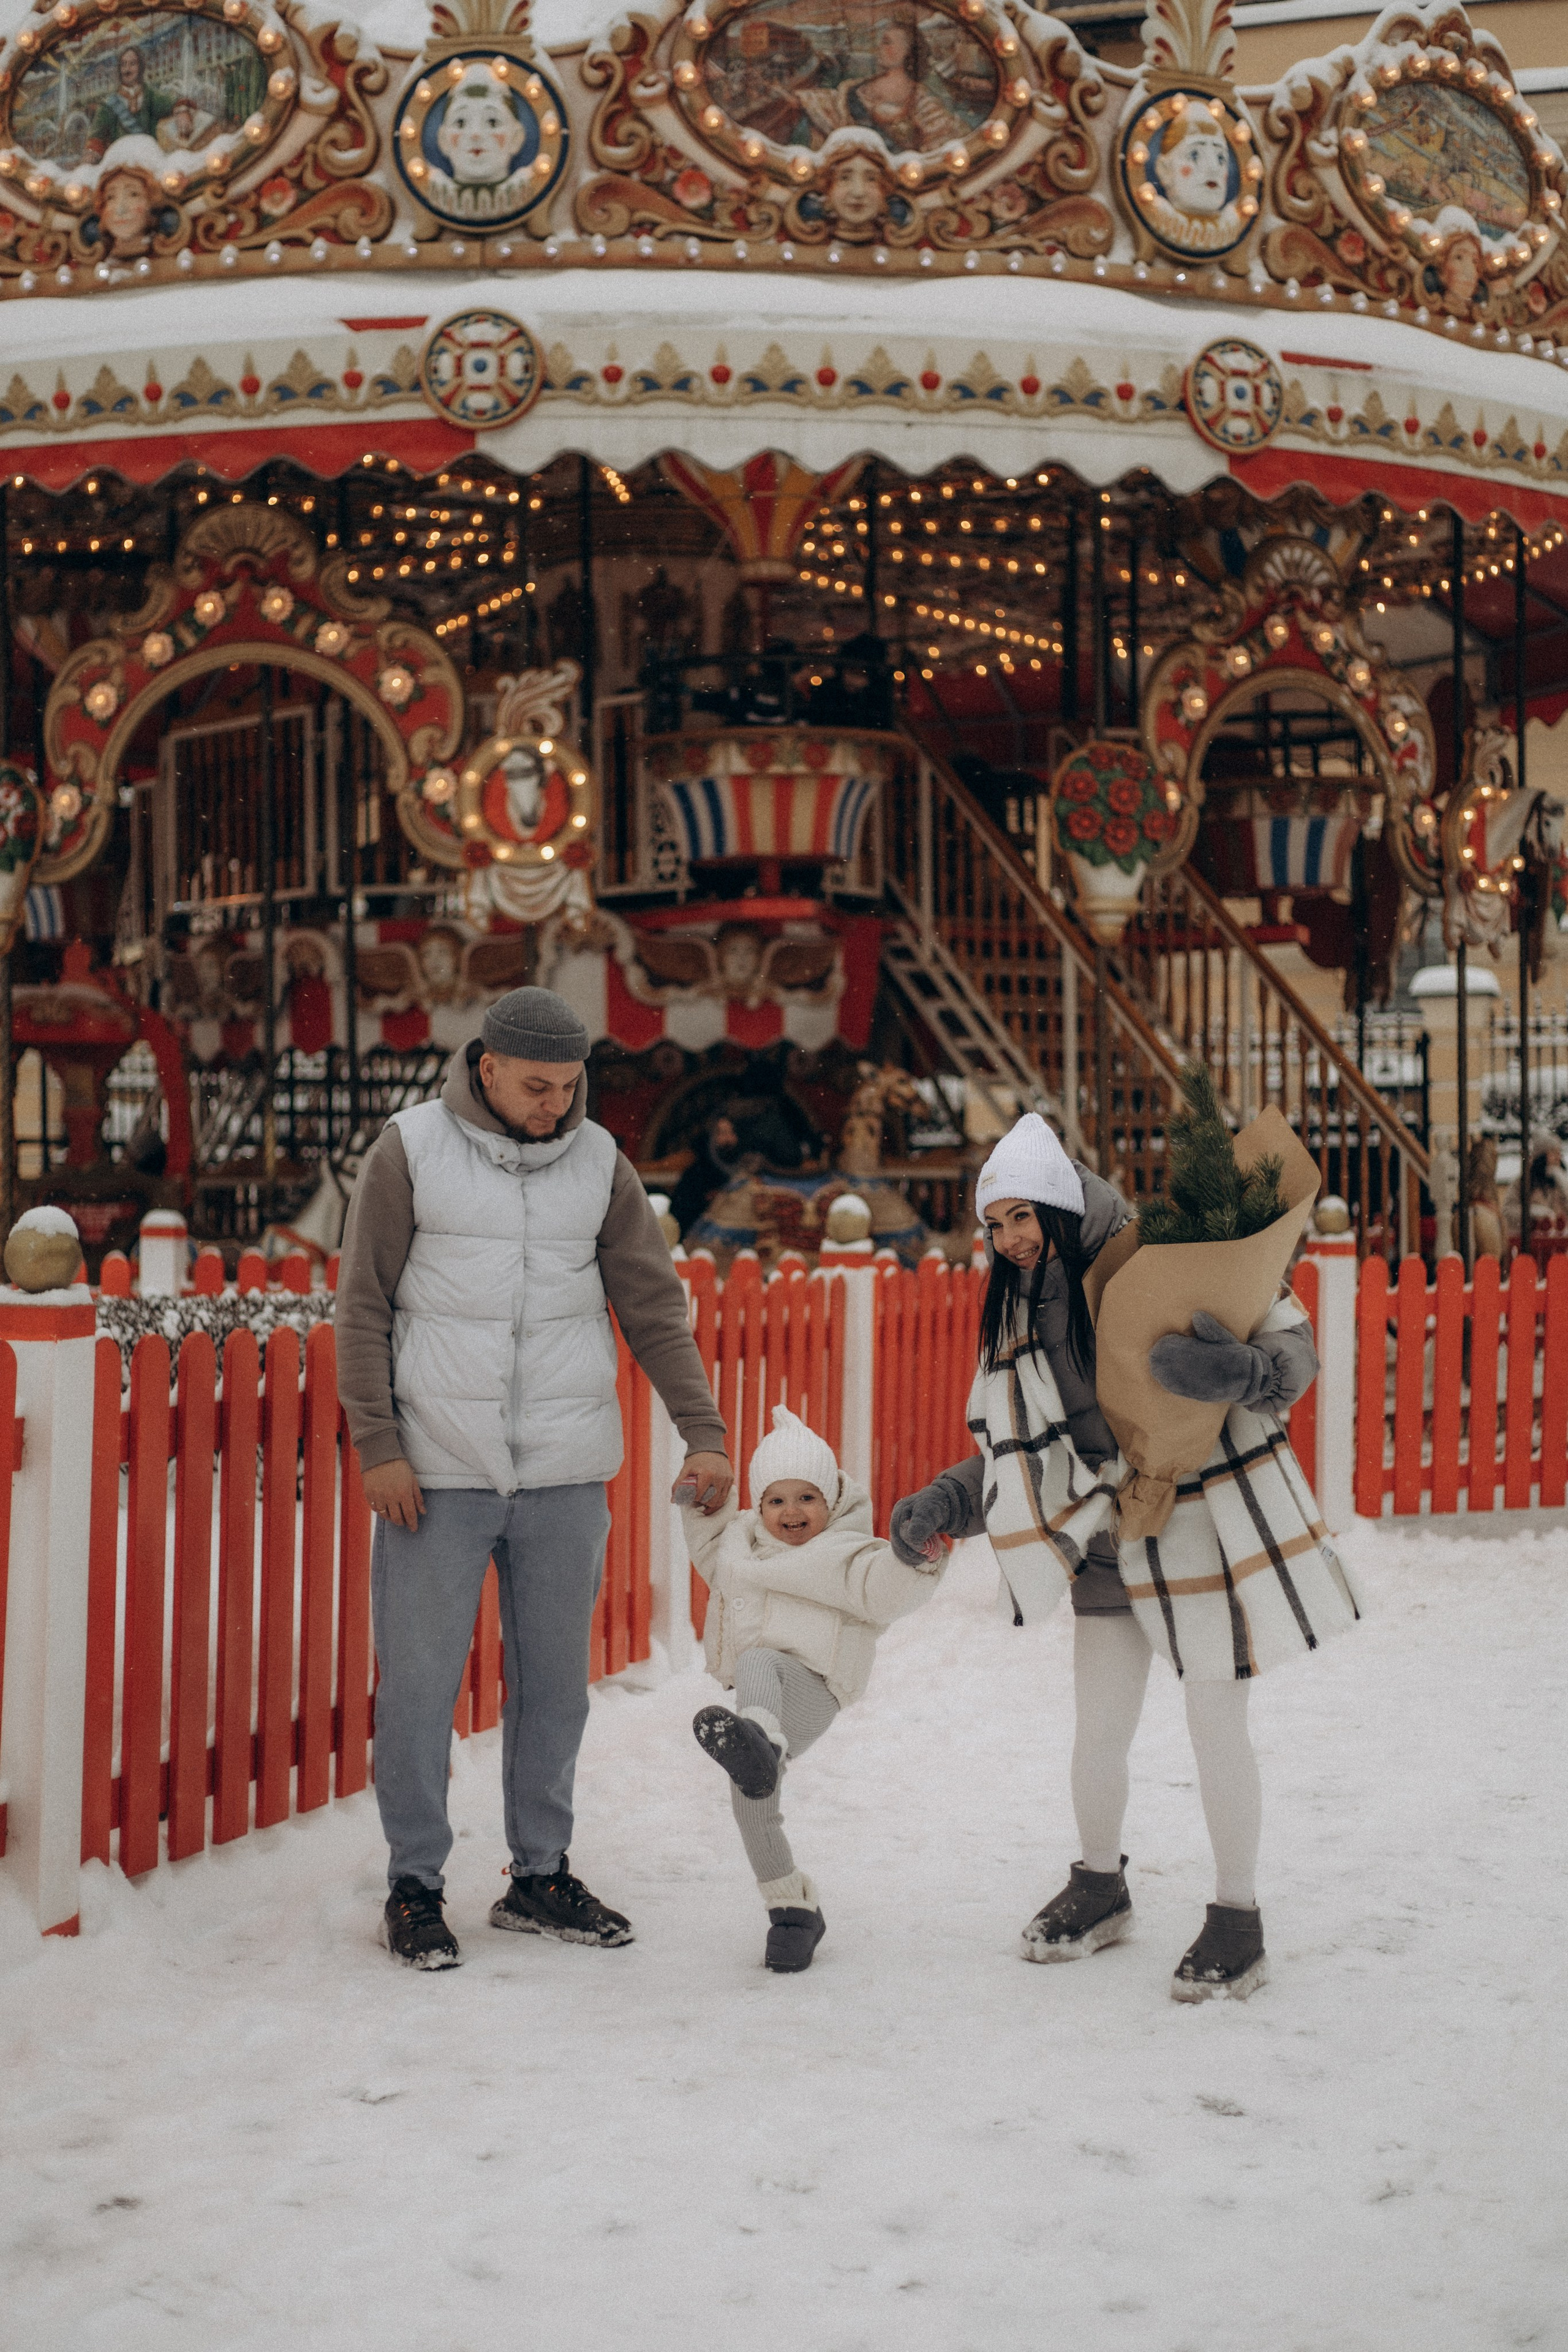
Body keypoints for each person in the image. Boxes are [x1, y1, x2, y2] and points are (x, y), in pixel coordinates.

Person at [890, 1113, 1335, 2002]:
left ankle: (1237, 1918)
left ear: (1057, 1202)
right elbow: (1030, 1447)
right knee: (1100, 1727)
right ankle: (1100, 1885)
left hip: (1204, 1525)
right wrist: (949, 1498)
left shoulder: (1163, 1254)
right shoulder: (1021, 1307)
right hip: (1107, 1539)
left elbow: (1289, 1335)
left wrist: (1244, 1374)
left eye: (1023, 1216)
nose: (1010, 1239)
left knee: (1215, 1724)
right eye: (995, 1224)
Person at [336, 986, 733, 1970]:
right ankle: (415, 1885)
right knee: (421, 1690)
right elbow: (363, 1308)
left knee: (555, 1689)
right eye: (537, 1087)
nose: (556, 1105)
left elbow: (652, 1306)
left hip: (563, 1474)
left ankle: (541, 1875)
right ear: (487, 1069)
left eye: (570, 1087)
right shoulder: (411, 1148)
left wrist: (705, 1431)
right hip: (437, 1473)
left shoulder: (600, 1164)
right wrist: (380, 1446)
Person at [684, 1404, 944, 1972]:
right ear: (758, 1505)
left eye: (807, 1498)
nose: (791, 1512)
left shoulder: (849, 1555)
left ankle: (762, 1747)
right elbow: (709, 1548)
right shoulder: (743, 1549)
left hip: (813, 1690)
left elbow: (887, 1588)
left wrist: (914, 1558)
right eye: (776, 1500)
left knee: (759, 1659)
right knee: (751, 1800)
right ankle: (792, 1911)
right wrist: (702, 1506)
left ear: (830, 1501)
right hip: (761, 1710)